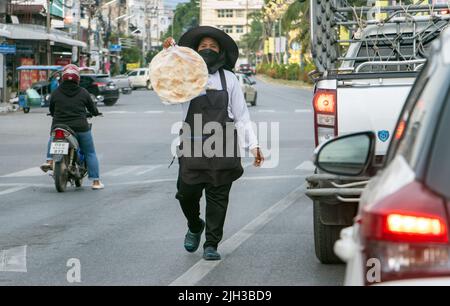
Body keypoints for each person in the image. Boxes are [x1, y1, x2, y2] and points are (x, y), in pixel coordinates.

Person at [163, 26, 264, 261]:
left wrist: (254, 145)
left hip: (224, 146)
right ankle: (195, 225)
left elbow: (241, 115)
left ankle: (211, 243)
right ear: (195, 52)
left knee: (218, 198)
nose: (208, 50)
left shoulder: (229, 79)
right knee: (186, 194)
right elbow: (167, 95)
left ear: (220, 53)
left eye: (213, 47)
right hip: (192, 144)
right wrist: (170, 54)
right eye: (203, 47)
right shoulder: (186, 76)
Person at [40, 64, 104, 190]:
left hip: (60, 126)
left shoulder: (56, 92)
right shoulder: (83, 92)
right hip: (80, 128)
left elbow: (51, 109)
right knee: (90, 152)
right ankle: (96, 182)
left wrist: (55, 114)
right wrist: (96, 113)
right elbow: (92, 108)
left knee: (53, 137)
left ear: (63, 77)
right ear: (77, 78)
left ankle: (49, 160)